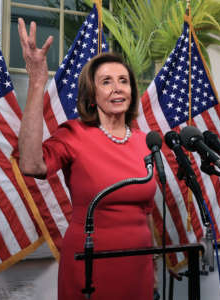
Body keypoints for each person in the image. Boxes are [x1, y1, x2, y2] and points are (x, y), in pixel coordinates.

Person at [17, 18, 157, 300]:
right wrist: (36, 82)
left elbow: (147, 211)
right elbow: (31, 164)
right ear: (92, 93)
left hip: (138, 264)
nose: (117, 88)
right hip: (91, 263)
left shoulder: (145, 141)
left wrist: (152, 263)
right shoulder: (74, 134)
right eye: (106, 81)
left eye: (123, 81)